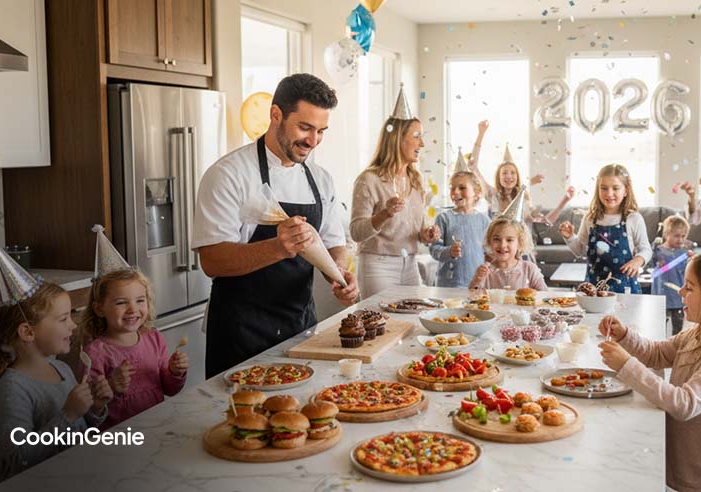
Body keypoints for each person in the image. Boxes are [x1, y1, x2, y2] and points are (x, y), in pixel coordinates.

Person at [192, 73, 358, 378]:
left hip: (301, 325)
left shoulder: (320, 179)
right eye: (305, 127)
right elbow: (212, 260)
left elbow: (334, 243)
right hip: (240, 332)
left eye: (321, 131)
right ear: (275, 115)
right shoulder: (228, 175)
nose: (313, 141)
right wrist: (278, 247)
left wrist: (339, 272)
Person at [599, 250, 701, 492]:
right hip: (689, 473)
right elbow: (656, 353)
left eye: (689, 287)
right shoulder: (698, 334)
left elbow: (684, 403)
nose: (681, 292)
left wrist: (626, 365)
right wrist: (625, 335)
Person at [0, 239, 112, 483]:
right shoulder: (12, 390)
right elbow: (19, 458)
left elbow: (81, 429)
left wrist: (96, 408)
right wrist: (68, 415)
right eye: (63, 319)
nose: (73, 325)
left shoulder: (61, 369)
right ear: (28, 332)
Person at [350, 85, 440, 298]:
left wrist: (425, 234)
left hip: (409, 263)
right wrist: (384, 214)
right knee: (382, 325)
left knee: (412, 322)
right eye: (417, 136)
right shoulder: (368, 180)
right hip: (377, 264)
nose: (422, 143)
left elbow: (412, 228)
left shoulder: (416, 180)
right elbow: (356, 232)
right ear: (398, 138)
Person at [81, 256, 187, 429]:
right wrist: (112, 385)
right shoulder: (94, 354)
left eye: (140, 300)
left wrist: (175, 372)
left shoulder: (154, 339)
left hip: (156, 427)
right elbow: (90, 413)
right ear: (99, 308)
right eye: (122, 302)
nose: (133, 309)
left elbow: (170, 389)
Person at [559, 164, 651, 294]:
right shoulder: (590, 218)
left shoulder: (633, 218)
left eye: (615, 188)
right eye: (604, 188)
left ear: (626, 190)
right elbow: (579, 250)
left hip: (624, 288)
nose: (609, 193)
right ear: (598, 190)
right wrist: (569, 237)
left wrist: (638, 260)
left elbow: (646, 249)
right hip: (593, 288)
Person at [469, 120, 574, 222]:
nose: (509, 176)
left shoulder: (524, 197)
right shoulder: (492, 195)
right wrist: (481, 134)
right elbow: (473, 166)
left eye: (512, 173)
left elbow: (546, 221)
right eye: (504, 173)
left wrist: (565, 200)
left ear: (517, 177)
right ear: (498, 177)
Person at [429, 171, 490, 287]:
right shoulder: (444, 218)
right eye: (452, 188)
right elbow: (434, 249)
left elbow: (489, 252)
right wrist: (449, 252)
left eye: (462, 188)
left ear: (476, 192)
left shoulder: (484, 220)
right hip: (449, 284)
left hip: (477, 284)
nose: (456, 192)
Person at [469, 216, 547, 290]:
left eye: (509, 240)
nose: (502, 245)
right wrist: (477, 280)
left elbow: (544, 296)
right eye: (497, 239)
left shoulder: (529, 269)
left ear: (520, 243)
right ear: (489, 241)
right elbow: (471, 297)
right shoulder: (484, 271)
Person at [651, 215, 695, 335]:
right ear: (666, 234)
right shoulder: (658, 250)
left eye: (683, 236)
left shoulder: (684, 252)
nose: (680, 240)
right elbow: (651, 261)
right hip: (661, 295)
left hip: (678, 296)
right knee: (659, 325)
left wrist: (692, 259)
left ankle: (675, 345)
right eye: (676, 236)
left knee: (678, 326)